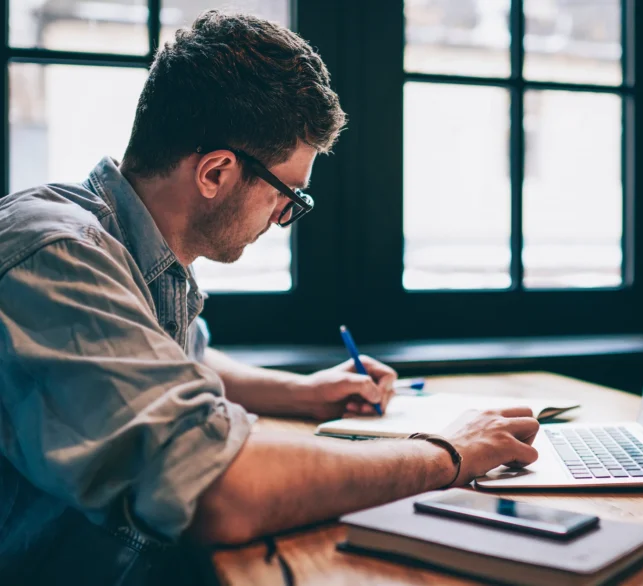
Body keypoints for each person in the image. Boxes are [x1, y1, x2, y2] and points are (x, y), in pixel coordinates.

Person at [0, 11, 539, 585]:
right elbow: (220, 489)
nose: (286, 217)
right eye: (289, 194)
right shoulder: (54, 254)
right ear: (215, 173)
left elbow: (173, 361)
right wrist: (448, 452)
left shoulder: (126, 246)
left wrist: (305, 394)